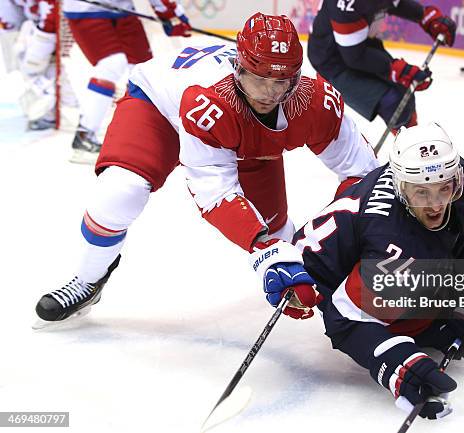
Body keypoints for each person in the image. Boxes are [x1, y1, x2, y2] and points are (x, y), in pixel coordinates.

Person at [34, 13, 379, 326]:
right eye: (260, 79)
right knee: (121, 190)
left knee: (275, 228)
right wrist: (266, 253)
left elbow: (365, 177)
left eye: (282, 82)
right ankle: (88, 277)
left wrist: (335, 249)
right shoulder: (207, 101)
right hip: (158, 109)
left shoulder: (316, 102)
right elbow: (216, 195)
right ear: (239, 69)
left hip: (236, 131)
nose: (271, 94)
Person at [265, 122, 464, 418]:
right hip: (359, 284)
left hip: (410, 264)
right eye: (422, 193)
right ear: (401, 189)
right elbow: (344, 318)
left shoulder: (463, 180)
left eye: (445, 188)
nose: (436, 205)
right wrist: (395, 361)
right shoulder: (394, 247)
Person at [62, 0, 192, 164]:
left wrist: (173, 15)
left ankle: (141, 134)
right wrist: (172, 15)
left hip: (122, 9)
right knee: (111, 65)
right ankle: (84, 135)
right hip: (86, 8)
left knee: (144, 72)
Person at [307, 0, 456, 130]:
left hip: (360, 43)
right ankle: (407, 149)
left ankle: (412, 145)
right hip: (331, 60)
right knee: (392, 101)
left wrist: (423, 16)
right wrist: (394, 69)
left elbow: (393, 3)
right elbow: (355, 56)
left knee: (403, 93)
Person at [0, 0, 77, 130]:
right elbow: (10, 24)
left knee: (63, 69)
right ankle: (49, 106)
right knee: (24, 52)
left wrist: (36, 55)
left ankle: (70, 111)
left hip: (69, 28)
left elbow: (51, 15)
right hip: (39, 27)